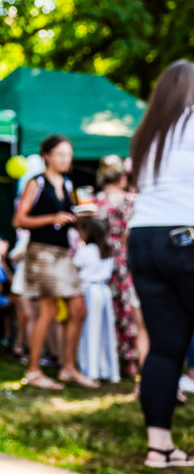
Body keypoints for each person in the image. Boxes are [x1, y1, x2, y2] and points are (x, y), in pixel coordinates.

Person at [125, 60, 194, 468]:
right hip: (184, 238)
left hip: (144, 240)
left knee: (164, 349)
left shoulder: (146, 135)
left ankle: (159, 448)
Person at [12, 134, 97, 390]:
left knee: (79, 309)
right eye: (60, 154)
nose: (65, 159)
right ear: (46, 156)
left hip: (63, 254)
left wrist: (82, 216)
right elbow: (19, 220)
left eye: (68, 154)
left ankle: (68, 368)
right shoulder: (36, 183)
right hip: (42, 253)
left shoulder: (69, 184)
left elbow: (68, 217)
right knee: (47, 311)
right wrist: (52, 218)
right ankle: (34, 370)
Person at [92, 155, 148, 378]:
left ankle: (107, 356)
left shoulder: (93, 201)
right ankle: (130, 360)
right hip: (125, 258)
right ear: (122, 177)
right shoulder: (132, 201)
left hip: (100, 259)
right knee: (128, 309)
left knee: (109, 308)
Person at [73, 218, 119, 382]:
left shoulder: (86, 251)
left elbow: (75, 267)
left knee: (89, 330)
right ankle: (105, 368)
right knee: (104, 330)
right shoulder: (106, 250)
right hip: (103, 291)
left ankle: (90, 369)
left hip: (88, 291)